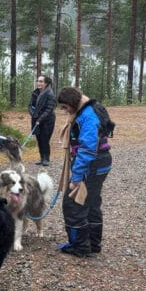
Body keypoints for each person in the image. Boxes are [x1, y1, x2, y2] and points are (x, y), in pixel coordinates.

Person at [56, 86, 114, 257]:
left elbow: (87, 149)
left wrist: (77, 176)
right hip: (101, 163)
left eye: (65, 107)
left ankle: (80, 246)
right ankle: (93, 244)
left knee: (73, 204)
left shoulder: (88, 116)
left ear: (73, 103)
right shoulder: (89, 109)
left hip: (93, 165)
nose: (64, 110)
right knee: (92, 203)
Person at [30, 73, 57, 166]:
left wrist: (40, 119)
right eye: (38, 81)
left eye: (41, 81)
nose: (38, 83)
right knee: (39, 139)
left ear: (46, 83)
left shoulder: (50, 94)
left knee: (45, 139)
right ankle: (42, 158)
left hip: (47, 121)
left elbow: (49, 109)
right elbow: (30, 105)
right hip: (36, 119)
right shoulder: (35, 93)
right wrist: (33, 114)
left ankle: (46, 159)